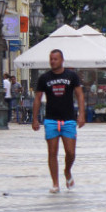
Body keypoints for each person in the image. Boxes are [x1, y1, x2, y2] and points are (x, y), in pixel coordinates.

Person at [32, 49, 86, 193]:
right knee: (52, 152)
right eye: (51, 59)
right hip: (51, 119)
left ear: (62, 60)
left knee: (71, 152)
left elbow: (80, 95)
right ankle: (55, 183)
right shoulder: (44, 78)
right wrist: (35, 118)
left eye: (55, 59)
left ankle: (67, 171)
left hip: (68, 119)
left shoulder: (71, 76)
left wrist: (81, 114)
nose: (53, 61)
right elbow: (38, 98)